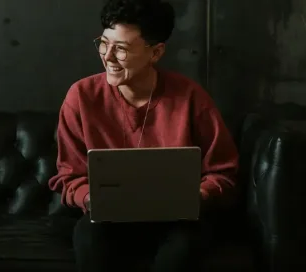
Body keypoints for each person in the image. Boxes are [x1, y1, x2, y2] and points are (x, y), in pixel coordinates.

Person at [48, 0, 239, 271]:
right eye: (104, 43)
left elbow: (223, 173)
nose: (108, 56)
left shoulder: (190, 97)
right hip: (107, 220)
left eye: (122, 49)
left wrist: (198, 194)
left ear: (156, 52)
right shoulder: (81, 97)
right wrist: (91, 197)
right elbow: (69, 176)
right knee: (89, 237)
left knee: (185, 244)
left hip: (175, 221)